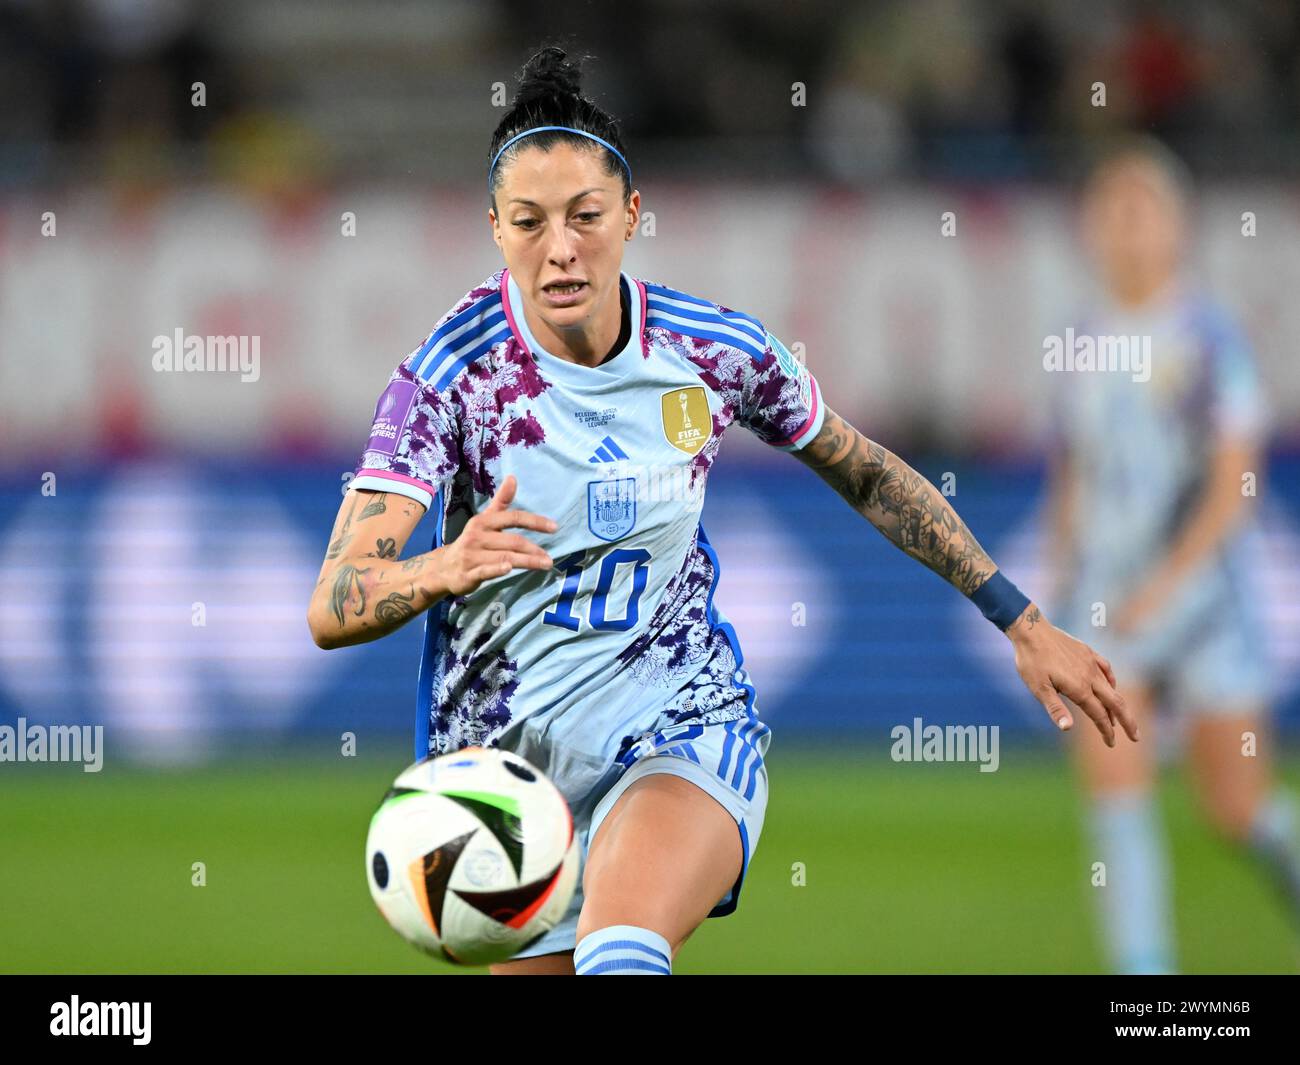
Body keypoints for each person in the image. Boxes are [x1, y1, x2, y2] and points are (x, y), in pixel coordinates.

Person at [307, 44, 1134, 976]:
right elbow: (334, 601)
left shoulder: (712, 351)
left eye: (585, 216)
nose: (561, 247)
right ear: (495, 228)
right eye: (530, 222)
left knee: (620, 951)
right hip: (513, 787)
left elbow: (865, 473)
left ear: (631, 215)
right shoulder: (448, 379)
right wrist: (442, 566)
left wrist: (1018, 617)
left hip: (680, 728)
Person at [1045, 137, 1299, 974]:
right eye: (1109, 211)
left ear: (1175, 227)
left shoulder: (1206, 339)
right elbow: (1075, 471)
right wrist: (1055, 585)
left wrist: (1169, 583)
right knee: (1116, 797)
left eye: (1140, 211)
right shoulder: (1081, 341)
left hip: (1205, 606)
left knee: (1238, 809)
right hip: (1107, 608)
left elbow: (1237, 483)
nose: (1124, 229)